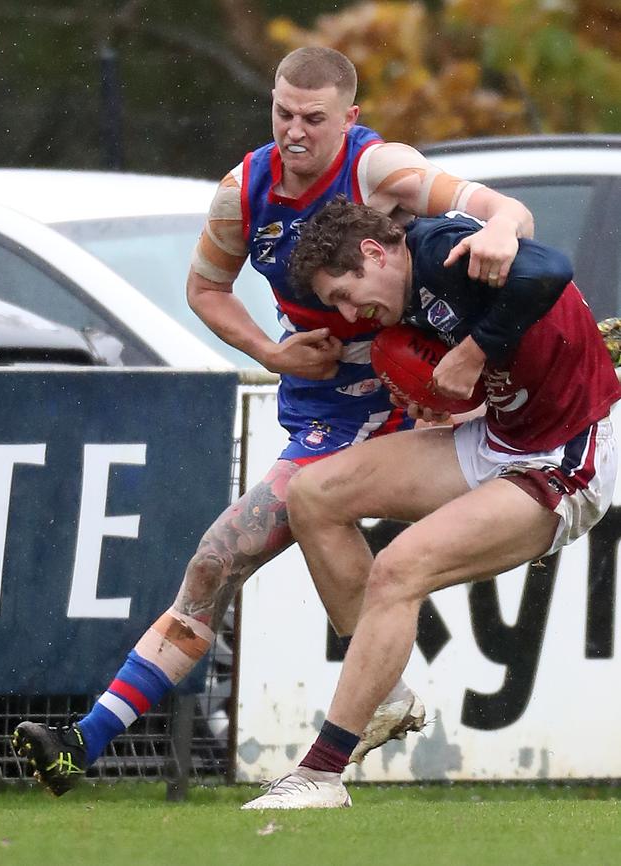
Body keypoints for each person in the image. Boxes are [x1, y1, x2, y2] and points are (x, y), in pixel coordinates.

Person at [12, 47, 535, 796]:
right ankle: (84, 745)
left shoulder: (379, 169)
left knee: (224, 550)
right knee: (217, 562)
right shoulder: (243, 190)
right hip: (321, 408)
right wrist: (271, 351)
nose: (293, 132)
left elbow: (496, 209)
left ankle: (97, 740)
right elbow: (205, 288)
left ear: (348, 119)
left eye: (313, 119)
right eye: (282, 112)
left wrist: (503, 232)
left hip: (395, 402)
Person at [240, 196, 621, 809]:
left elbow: (549, 267)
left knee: (398, 569)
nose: (346, 312)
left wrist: (471, 354)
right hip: (497, 438)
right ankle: (385, 694)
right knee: (313, 495)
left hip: (565, 458)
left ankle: (321, 775)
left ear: (373, 252)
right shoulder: (404, 280)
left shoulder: (440, 252)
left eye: (344, 292)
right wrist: (441, 390)